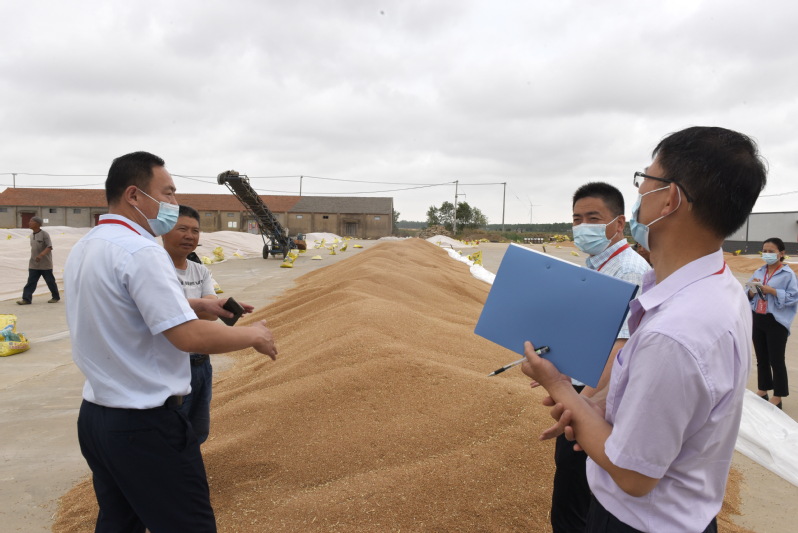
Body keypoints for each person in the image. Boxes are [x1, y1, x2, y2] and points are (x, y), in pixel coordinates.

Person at [522, 126, 767, 532]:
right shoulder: (715, 286)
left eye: (645, 181)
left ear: (670, 198)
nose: (639, 195)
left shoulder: (675, 334)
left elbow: (633, 475)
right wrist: (597, 408)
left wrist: (560, 388)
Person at [65, 151, 278, 532]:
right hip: (145, 425)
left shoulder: (89, 244)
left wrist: (196, 303)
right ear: (134, 195)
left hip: (98, 416)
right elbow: (188, 337)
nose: (174, 204)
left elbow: (122, 310)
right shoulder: (144, 250)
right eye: (168, 193)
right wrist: (253, 335)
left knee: (119, 522)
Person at [545, 183, 651, 532]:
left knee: (576, 502)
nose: (583, 226)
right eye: (577, 218)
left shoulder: (628, 271)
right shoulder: (598, 265)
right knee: (573, 495)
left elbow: (619, 351)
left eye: (594, 218)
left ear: (618, 223)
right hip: (581, 393)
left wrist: (579, 405)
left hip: (594, 402)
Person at [163, 205, 218, 444]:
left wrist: (189, 309)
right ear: (164, 231)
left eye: (195, 231)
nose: (190, 236)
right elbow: (165, 313)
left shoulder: (200, 269)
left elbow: (213, 313)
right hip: (171, 364)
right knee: (172, 430)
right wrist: (202, 306)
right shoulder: (156, 268)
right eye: (182, 229)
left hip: (202, 364)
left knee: (198, 431)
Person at [746, 237, 798, 409]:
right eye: (764, 251)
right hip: (758, 317)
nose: (767, 254)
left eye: (771, 251)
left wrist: (772, 291)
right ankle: (763, 389)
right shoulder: (760, 271)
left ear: (781, 254)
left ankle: (778, 395)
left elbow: (793, 297)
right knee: (761, 358)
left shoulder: (788, 274)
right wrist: (753, 291)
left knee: (776, 359)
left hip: (776, 321)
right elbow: (747, 291)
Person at [17, 216, 61, 305]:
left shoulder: (44, 234)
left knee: (50, 281)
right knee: (31, 282)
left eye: (31, 221)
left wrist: (41, 255)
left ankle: (55, 297)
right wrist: (35, 257)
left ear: (38, 224)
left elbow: (49, 247)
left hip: (45, 264)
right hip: (33, 264)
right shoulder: (31, 235)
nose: (29, 223)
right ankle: (26, 299)